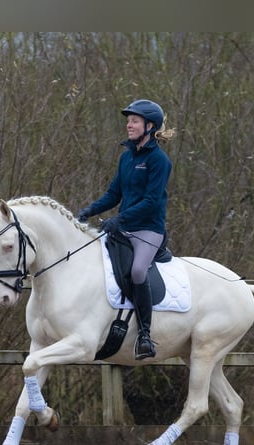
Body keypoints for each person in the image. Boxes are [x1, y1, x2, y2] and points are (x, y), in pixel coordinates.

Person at [77, 99, 175, 360]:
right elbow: (113, 194)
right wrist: (88, 211)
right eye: (128, 120)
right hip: (124, 228)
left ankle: (144, 335)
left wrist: (119, 219)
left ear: (149, 126)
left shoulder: (159, 161)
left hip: (148, 230)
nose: (128, 125)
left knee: (138, 271)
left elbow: (151, 201)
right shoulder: (127, 157)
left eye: (134, 121)